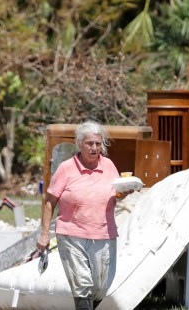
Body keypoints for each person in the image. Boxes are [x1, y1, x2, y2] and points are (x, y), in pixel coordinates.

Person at [37, 121, 128, 310]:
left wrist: (125, 192)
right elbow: (49, 202)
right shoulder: (65, 168)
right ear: (79, 143)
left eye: (97, 143)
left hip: (104, 234)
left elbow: (116, 195)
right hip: (72, 235)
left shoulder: (109, 165)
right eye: (89, 143)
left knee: (100, 287)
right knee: (82, 285)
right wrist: (44, 234)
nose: (94, 148)